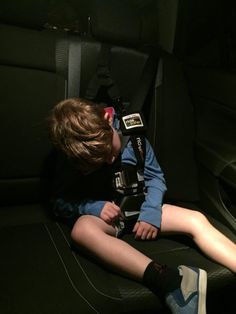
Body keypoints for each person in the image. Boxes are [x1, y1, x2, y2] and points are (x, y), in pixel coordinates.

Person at [49, 98, 235, 314]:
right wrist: (93, 207)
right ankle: (169, 280)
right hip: (109, 218)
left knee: (195, 219)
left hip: (141, 207)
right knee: (82, 230)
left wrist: (151, 213)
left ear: (108, 119)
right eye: (99, 162)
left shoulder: (135, 139)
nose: (110, 161)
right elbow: (59, 202)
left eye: (110, 152)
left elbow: (156, 178)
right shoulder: (72, 157)